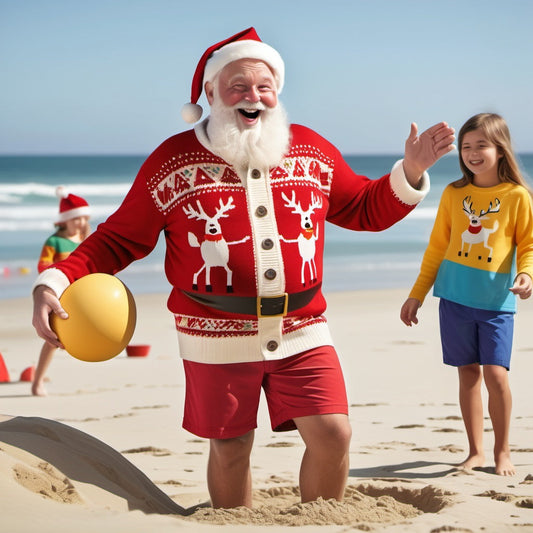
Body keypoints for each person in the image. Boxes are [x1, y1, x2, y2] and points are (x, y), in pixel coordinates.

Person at [32, 27, 455, 507]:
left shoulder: (312, 149)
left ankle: (322, 520)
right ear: (211, 93)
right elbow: (120, 238)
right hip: (213, 332)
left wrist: (412, 173)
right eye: (237, 86)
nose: (253, 97)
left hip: (304, 325)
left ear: (277, 92)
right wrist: (56, 279)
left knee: (334, 433)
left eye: (263, 85)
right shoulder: (170, 160)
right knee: (231, 447)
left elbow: (363, 208)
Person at [400, 113, 533, 477]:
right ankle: (475, 452)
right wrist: (417, 294)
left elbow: (528, 245)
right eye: (466, 146)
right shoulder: (454, 194)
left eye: (482, 146)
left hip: (495, 302)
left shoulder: (517, 196)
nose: (472, 153)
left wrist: (526, 274)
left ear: (500, 151)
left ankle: (503, 452)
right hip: (455, 300)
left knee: (497, 375)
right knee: (468, 375)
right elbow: (437, 247)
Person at [33, 186, 91, 396]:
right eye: (77, 219)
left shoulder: (86, 241)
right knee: (53, 341)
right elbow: (43, 265)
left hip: (81, 297)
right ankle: (37, 381)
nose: (81, 223)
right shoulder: (54, 241)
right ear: (64, 219)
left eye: (84, 218)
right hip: (58, 296)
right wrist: (55, 278)